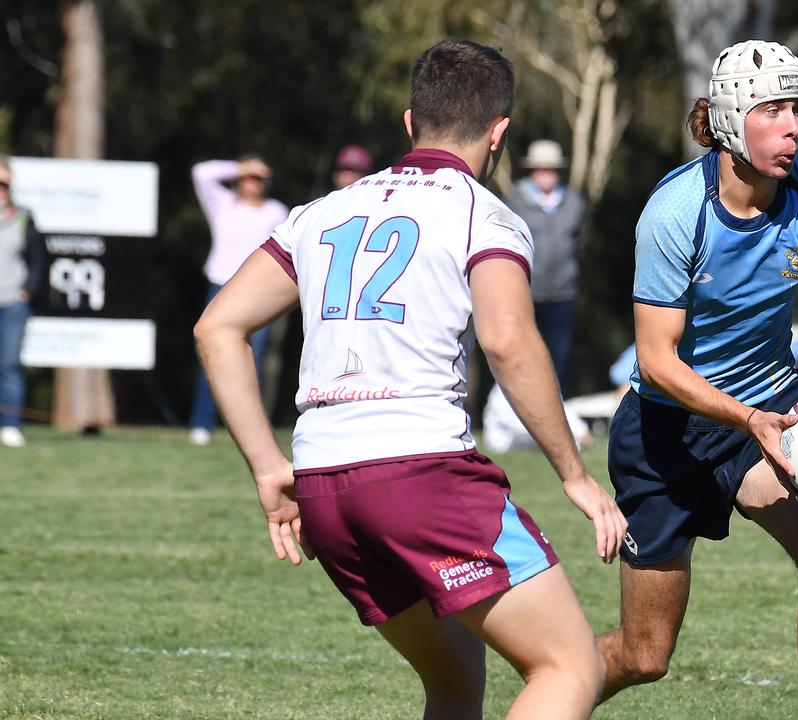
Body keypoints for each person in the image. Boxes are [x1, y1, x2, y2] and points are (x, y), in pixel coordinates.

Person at [193, 39, 625, 719]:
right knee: (570, 666)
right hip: (423, 477)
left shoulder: (319, 213)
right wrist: (574, 474)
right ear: (500, 132)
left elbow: (216, 327)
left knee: (455, 677)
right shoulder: (484, 213)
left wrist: (267, 466)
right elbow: (508, 340)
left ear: (408, 122)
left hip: (326, 485)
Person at [597, 41, 798, 720]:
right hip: (667, 429)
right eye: (773, 109)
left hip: (772, 396)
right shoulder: (675, 213)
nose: (793, 125)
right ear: (734, 119)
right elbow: (657, 361)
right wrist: (746, 421)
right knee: (645, 654)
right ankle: (555, 687)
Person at [188, 154, 289, 445]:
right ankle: (201, 423)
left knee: (250, 361)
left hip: (257, 290)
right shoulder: (222, 204)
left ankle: (249, 430)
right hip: (220, 284)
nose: (252, 183)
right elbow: (201, 172)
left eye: (258, 178)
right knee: (212, 355)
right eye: (248, 177)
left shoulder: (275, 211)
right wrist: (242, 166)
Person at [504, 139, 588, 394]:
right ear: (532, 171)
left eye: (550, 169)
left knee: (560, 358)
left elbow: (580, 242)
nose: (546, 175)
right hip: (526, 293)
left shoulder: (574, 202)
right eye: (541, 169)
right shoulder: (515, 201)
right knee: (523, 354)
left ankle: (559, 410)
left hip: (563, 293)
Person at [0, 157, 46, 448]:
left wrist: (28, 290)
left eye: (4, 183)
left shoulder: (24, 215)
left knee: (9, 365)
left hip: (13, 302)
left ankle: (11, 425)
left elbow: (39, 259)